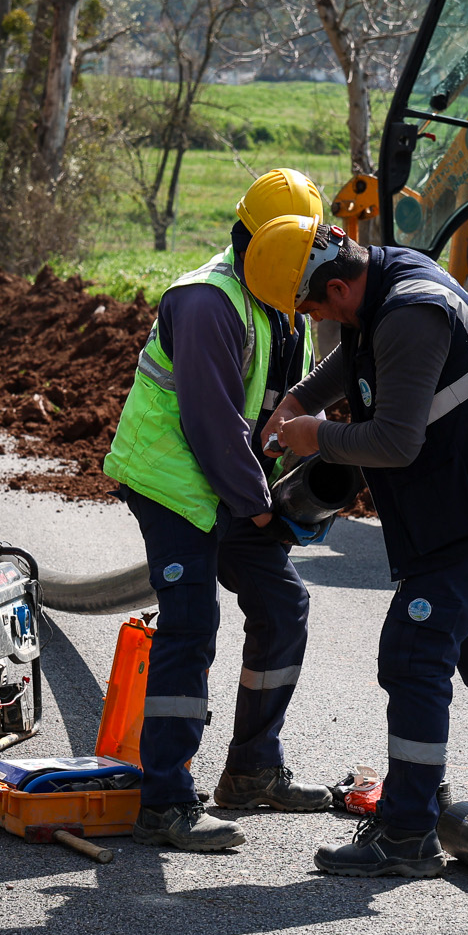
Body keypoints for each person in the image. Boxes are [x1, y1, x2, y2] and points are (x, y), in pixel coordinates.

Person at [248, 218, 468, 877]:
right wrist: (304, 398)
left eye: (310, 306)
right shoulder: (382, 282)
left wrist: (316, 437)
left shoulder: (410, 314)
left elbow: (396, 442)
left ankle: (407, 832)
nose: (311, 317)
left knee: (414, 651)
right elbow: (357, 357)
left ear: (336, 284)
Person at [101, 170, 337, 853]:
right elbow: (211, 425)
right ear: (263, 241)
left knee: (281, 602)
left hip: (229, 486)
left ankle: (253, 766)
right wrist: (260, 509)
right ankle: (165, 799)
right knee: (191, 622)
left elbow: (273, 405)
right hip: (173, 485)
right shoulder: (209, 301)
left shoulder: (272, 297)